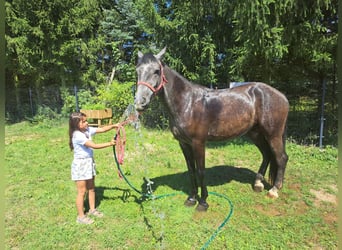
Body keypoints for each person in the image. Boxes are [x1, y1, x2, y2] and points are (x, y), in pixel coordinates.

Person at [69, 112, 119, 224]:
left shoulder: (86, 130)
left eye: (86, 120)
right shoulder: (77, 135)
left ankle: (92, 210)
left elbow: (101, 129)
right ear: (76, 124)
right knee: (82, 192)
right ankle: (81, 217)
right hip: (80, 165)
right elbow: (94, 146)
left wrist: (113, 126)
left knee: (91, 188)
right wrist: (109, 143)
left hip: (89, 162)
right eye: (84, 121)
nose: (87, 123)